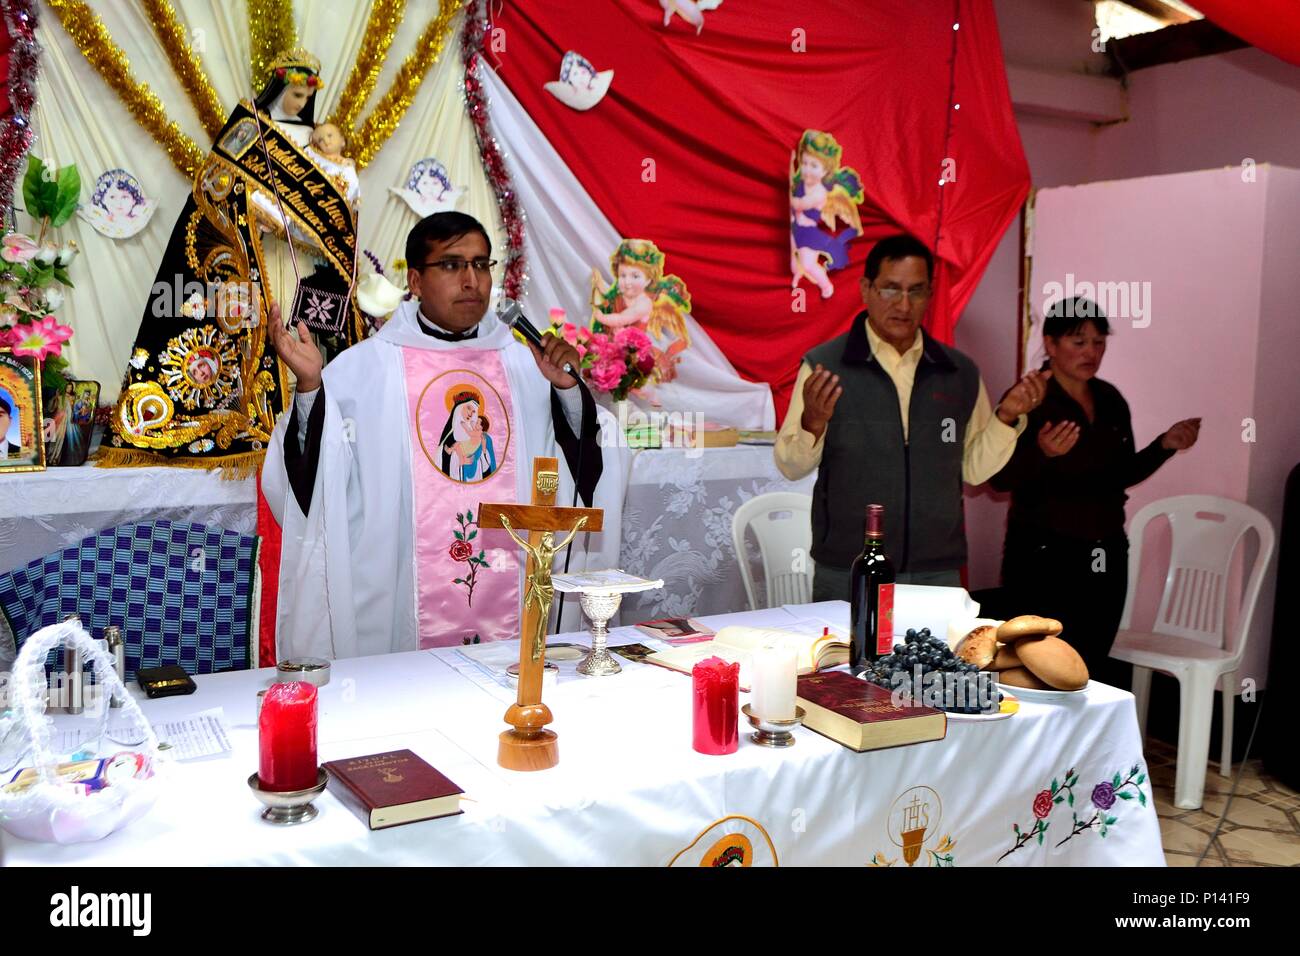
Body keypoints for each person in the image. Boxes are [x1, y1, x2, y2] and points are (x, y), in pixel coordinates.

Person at [262, 211, 622, 658]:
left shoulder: (525, 364)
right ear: (414, 279)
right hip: (397, 612)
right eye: (452, 265)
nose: (471, 280)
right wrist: (312, 389)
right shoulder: (365, 369)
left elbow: (584, 468)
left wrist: (568, 392)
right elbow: (305, 481)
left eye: (480, 264)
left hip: (514, 601)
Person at [775, 234, 1048, 599]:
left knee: (933, 659)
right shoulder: (826, 366)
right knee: (852, 659)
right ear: (866, 289)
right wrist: (814, 421)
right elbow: (791, 466)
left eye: (916, 291)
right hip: (849, 567)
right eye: (890, 289)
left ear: (929, 295)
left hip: (937, 569)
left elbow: (973, 470)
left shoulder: (958, 371)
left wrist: (1007, 417)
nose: (903, 304)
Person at [987, 297, 1200, 687]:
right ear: (1050, 344)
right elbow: (996, 478)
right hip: (1043, 551)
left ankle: (1086, 748)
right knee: (1037, 666)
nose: (1091, 352)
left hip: (1105, 551)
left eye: (1099, 342)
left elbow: (1119, 474)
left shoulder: (1110, 399)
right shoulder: (1028, 399)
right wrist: (1043, 453)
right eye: (1078, 341)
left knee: (1092, 663)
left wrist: (1164, 446)